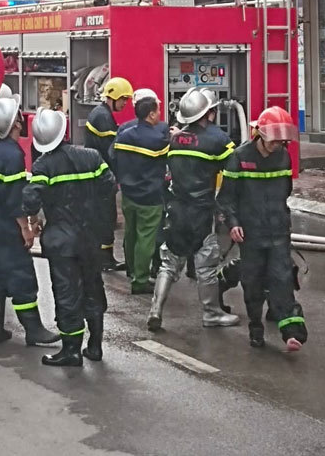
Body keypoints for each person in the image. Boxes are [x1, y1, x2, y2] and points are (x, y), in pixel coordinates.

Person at [23, 109, 116, 367]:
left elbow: (30, 199)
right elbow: (109, 185)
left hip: (61, 242)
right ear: (64, 132)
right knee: (93, 289)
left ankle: (71, 351)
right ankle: (95, 346)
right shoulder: (92, 156)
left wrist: (35, 219)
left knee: (67, 294)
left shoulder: (43, 166)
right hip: (90, 238)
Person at [148, 88, 239, 332]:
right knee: (206, 264)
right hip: (201, 211)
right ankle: (211, 313)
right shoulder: (218, 139)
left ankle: (156, 310)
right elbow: (234, 169)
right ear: (208, 113)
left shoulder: (175, 139)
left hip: (176, 209)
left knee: (169, 262)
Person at [219, 106, 307, 352]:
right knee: (253, 281)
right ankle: (255, 326)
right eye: (274, 138)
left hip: (278, 230)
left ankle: (290, 332)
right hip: (251, 232)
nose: (278, 144)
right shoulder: (240, 157)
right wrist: (233, 224)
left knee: (282, 279)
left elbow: (285, 191)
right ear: (260, 134)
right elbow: (226, 198)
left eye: (282, 139)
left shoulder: (283, 156)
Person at [0, 96, 59, 346]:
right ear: (16, 124)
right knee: (22, 277)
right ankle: (34, 331)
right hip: (6, 228)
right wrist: (26, 228)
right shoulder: (13, 155)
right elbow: (14, 199)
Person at [111, 90, 169, 295]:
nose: (160, 113)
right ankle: (140, 280)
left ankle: (132, 270)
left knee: (131, 233)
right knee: (146, 238)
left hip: (128, 194)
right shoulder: (157, 138)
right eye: (158, 110)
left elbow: (113, 156)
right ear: (151, 114)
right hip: (150, 196)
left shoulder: (124, 134)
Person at [84, 76, 133, 271]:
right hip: (101, 177)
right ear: (113, 97)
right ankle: (104, 260)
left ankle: (105, 258)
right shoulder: (102, 116)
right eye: (123, 99)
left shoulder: (101, 113)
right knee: (105, 217)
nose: (125, 103)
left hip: (99, 175)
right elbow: (112, 151)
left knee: (106, 216)